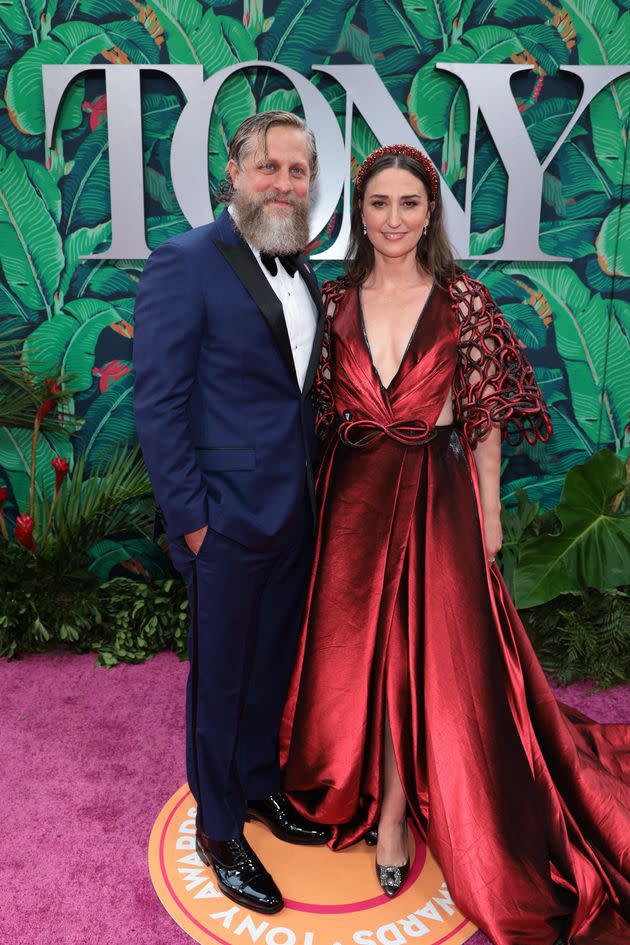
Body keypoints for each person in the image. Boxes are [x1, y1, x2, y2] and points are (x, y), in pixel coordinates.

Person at [280, 145, 630, 945]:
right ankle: (353, 779)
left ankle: (398, 812)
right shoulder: (330, 297)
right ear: (359, 214)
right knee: (351, 652)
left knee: (423, 654)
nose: (394, 219)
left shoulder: (464, 300)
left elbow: (485, 416)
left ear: (430, 213)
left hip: (438, 496)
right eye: (379, 204)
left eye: (409, 203)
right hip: (351, 498)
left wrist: (491, 512)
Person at [133, 111, 330, 916]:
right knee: (219, 683)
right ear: (235, 172)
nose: (284, 183)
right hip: (223, 522)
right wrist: (194, 523)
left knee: (267, 672)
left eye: (299, 171)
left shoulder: (305, 269)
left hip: (294, 516)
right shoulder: (186, 261)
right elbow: (158, 403)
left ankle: (256, 788)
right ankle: (219, 829)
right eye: (270, 167)